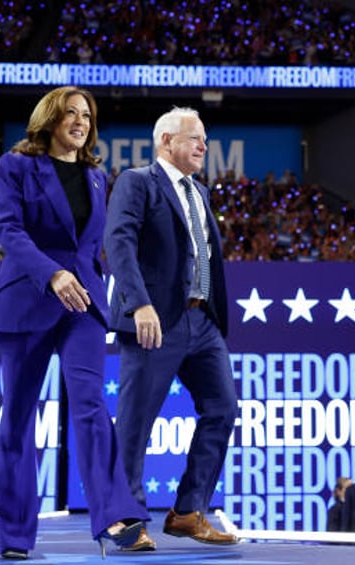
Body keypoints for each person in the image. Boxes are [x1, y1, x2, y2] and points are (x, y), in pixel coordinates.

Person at [0, 86, 152, 560]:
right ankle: (14, 535)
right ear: (50, 119)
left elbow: (92, 246)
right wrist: (50, 274)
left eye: (87, 115)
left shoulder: (98, 176)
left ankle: (114, 516)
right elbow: (9, 229)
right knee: (17, 416)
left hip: (83, 304)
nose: (80, 121)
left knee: (91, 404)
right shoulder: (16, 166)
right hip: (28, 296)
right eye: (71, 113)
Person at [104, 106, 238, 545]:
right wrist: (138, 304)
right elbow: (118, 242)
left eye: (205, 138)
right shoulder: (137, 181)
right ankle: (123, 519)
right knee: (136, 420)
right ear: (166, 141)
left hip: (202, 321)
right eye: (195, 137)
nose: (203, 145)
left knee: (223, 408)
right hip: (154, 320)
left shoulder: (200, 192)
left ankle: (188, 509)